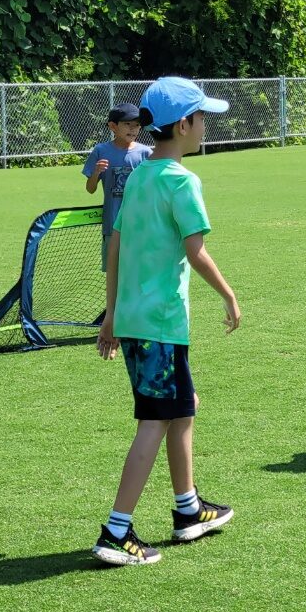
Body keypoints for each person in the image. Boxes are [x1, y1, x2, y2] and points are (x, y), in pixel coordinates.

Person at [91, 77, 241, 565]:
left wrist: (112, 314)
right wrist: (229, 294)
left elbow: (115, 247)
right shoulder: (181, 180)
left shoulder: (138, 175)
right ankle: (116, 531)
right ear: (183, 125)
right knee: (154, 421)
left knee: (182, 407)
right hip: (161, 322)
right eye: (202, 118)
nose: (206, 126)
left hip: (136, 319)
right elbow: (195, 250)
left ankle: (187, 509)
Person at [81, 103, 152, 271]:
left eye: (137, 125)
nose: (133, 129)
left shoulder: (146, 153)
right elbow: (90, 189)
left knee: (139, 270)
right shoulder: (101, 151)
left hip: (140, 224)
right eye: (127, 124)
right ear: (113, 126)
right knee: (114, 272)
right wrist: (96, 172)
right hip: (112, 224)